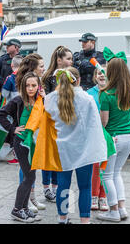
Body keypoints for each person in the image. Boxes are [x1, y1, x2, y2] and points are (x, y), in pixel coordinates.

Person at [32, 67, 107, 224]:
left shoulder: (51, 99)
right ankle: (85, 221)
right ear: (78, 80)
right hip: (84, 150)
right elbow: (95, 126)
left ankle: (63, 218)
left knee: (63, 186)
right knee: (85, 187)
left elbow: (47, 124)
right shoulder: (87, 99)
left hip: (62, 150)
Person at [0, 72, 44, 223]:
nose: (30, 88)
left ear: (38, 86)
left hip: (34, 142)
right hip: (21, 142)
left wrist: (45, 97)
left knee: (32, 176)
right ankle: (17, 209)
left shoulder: (40, 100)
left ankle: (24, 208)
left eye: (33, 85)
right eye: (27, 85)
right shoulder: (18, 100)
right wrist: (13, 128)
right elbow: (0, 114)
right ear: (23, 86)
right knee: (29, 176)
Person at [97, 52, 130, 222]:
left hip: (112, 139)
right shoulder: (129, 91)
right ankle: (122, 208)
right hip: (128, 137)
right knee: (117, 173)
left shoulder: (106, 94)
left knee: (106, 175)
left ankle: (113, 211)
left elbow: (103, 122)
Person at [40, 46, 73, 202]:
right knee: (49, 156)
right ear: (59, 60)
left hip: (63, 122)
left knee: (59, 157)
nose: (71, 61)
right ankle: (46, 187)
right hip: (50, 121)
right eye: (68, 58)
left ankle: (55, 187)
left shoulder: (70, 76)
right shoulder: (48, 77)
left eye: (71, 58)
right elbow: (46, 100)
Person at [87, 64, 109, 212]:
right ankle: (94, 196)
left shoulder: (113, 92)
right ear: (95, 77)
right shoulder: (89, 93)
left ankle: (104, 196)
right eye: (99, 73)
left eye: (104, 73)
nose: (101, 75)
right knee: (95, 168)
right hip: (94, 136)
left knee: (106, 168)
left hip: (109, 136)